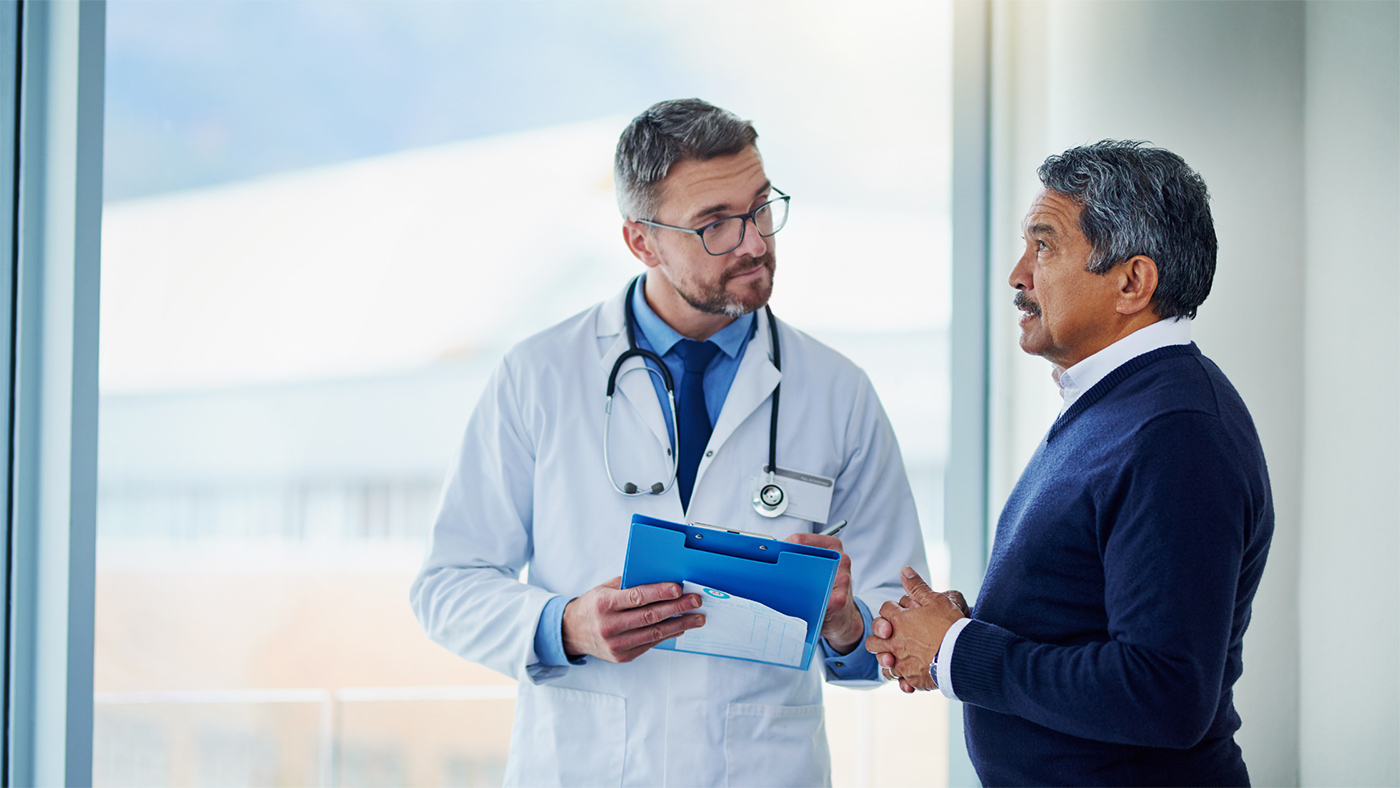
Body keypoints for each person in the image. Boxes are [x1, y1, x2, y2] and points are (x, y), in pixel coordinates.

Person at [411, 98, 927, 787]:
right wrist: (565, 626)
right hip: (585, 764)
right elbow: (447, 585)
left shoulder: (837, 390)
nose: (753, 242)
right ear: (641, 242)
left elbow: (897, 622)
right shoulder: (539, 375)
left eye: (760, 208)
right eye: (714, 225)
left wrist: (844, 623)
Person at [865, 141, 1274, 786]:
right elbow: (1084, 621)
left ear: (1132, 283)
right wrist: (954, 632)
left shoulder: (1177, 433)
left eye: (1045, 246)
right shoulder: (1120, 405)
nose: (1018, 275)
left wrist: (954, 650)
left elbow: (1164, 693)